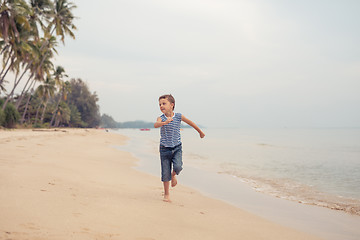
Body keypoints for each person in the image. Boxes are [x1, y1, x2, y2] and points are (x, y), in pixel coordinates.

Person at [154, 94, 205, 202]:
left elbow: (191, 123)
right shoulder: (161, 118)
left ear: (172, 105)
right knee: (165, 172)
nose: (161, 106)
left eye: (164, 103)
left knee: (178, 166)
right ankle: (166, 194)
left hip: (177, 148)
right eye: (160, 104)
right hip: (164, 149)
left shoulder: (178, 116)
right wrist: (164, 122)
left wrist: (200, 132)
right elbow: (156, 124)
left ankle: (174, 175)